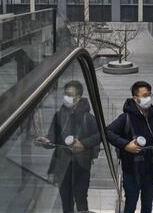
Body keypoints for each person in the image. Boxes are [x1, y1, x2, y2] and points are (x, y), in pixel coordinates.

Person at [106, 81, 153, 213]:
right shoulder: (125, 118)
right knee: (130, 205)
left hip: (151, 170)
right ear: (135, 98)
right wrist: (126, 145)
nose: (148, 98)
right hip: (131, 170)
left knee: (147, 206)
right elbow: (107, 132)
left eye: (149, 95)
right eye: (144, 95)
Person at [36, 80, 100, 213]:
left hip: (81, 165)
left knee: (81, 198)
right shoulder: (59, 115)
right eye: (66, 94)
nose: (67, 97)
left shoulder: (88, 118)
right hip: (63, 165)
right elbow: (53, 137)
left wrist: (83, 144)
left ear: (78, 97)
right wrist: (46, 141)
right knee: (66, 200)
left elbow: (98, 136)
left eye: (70, 95)